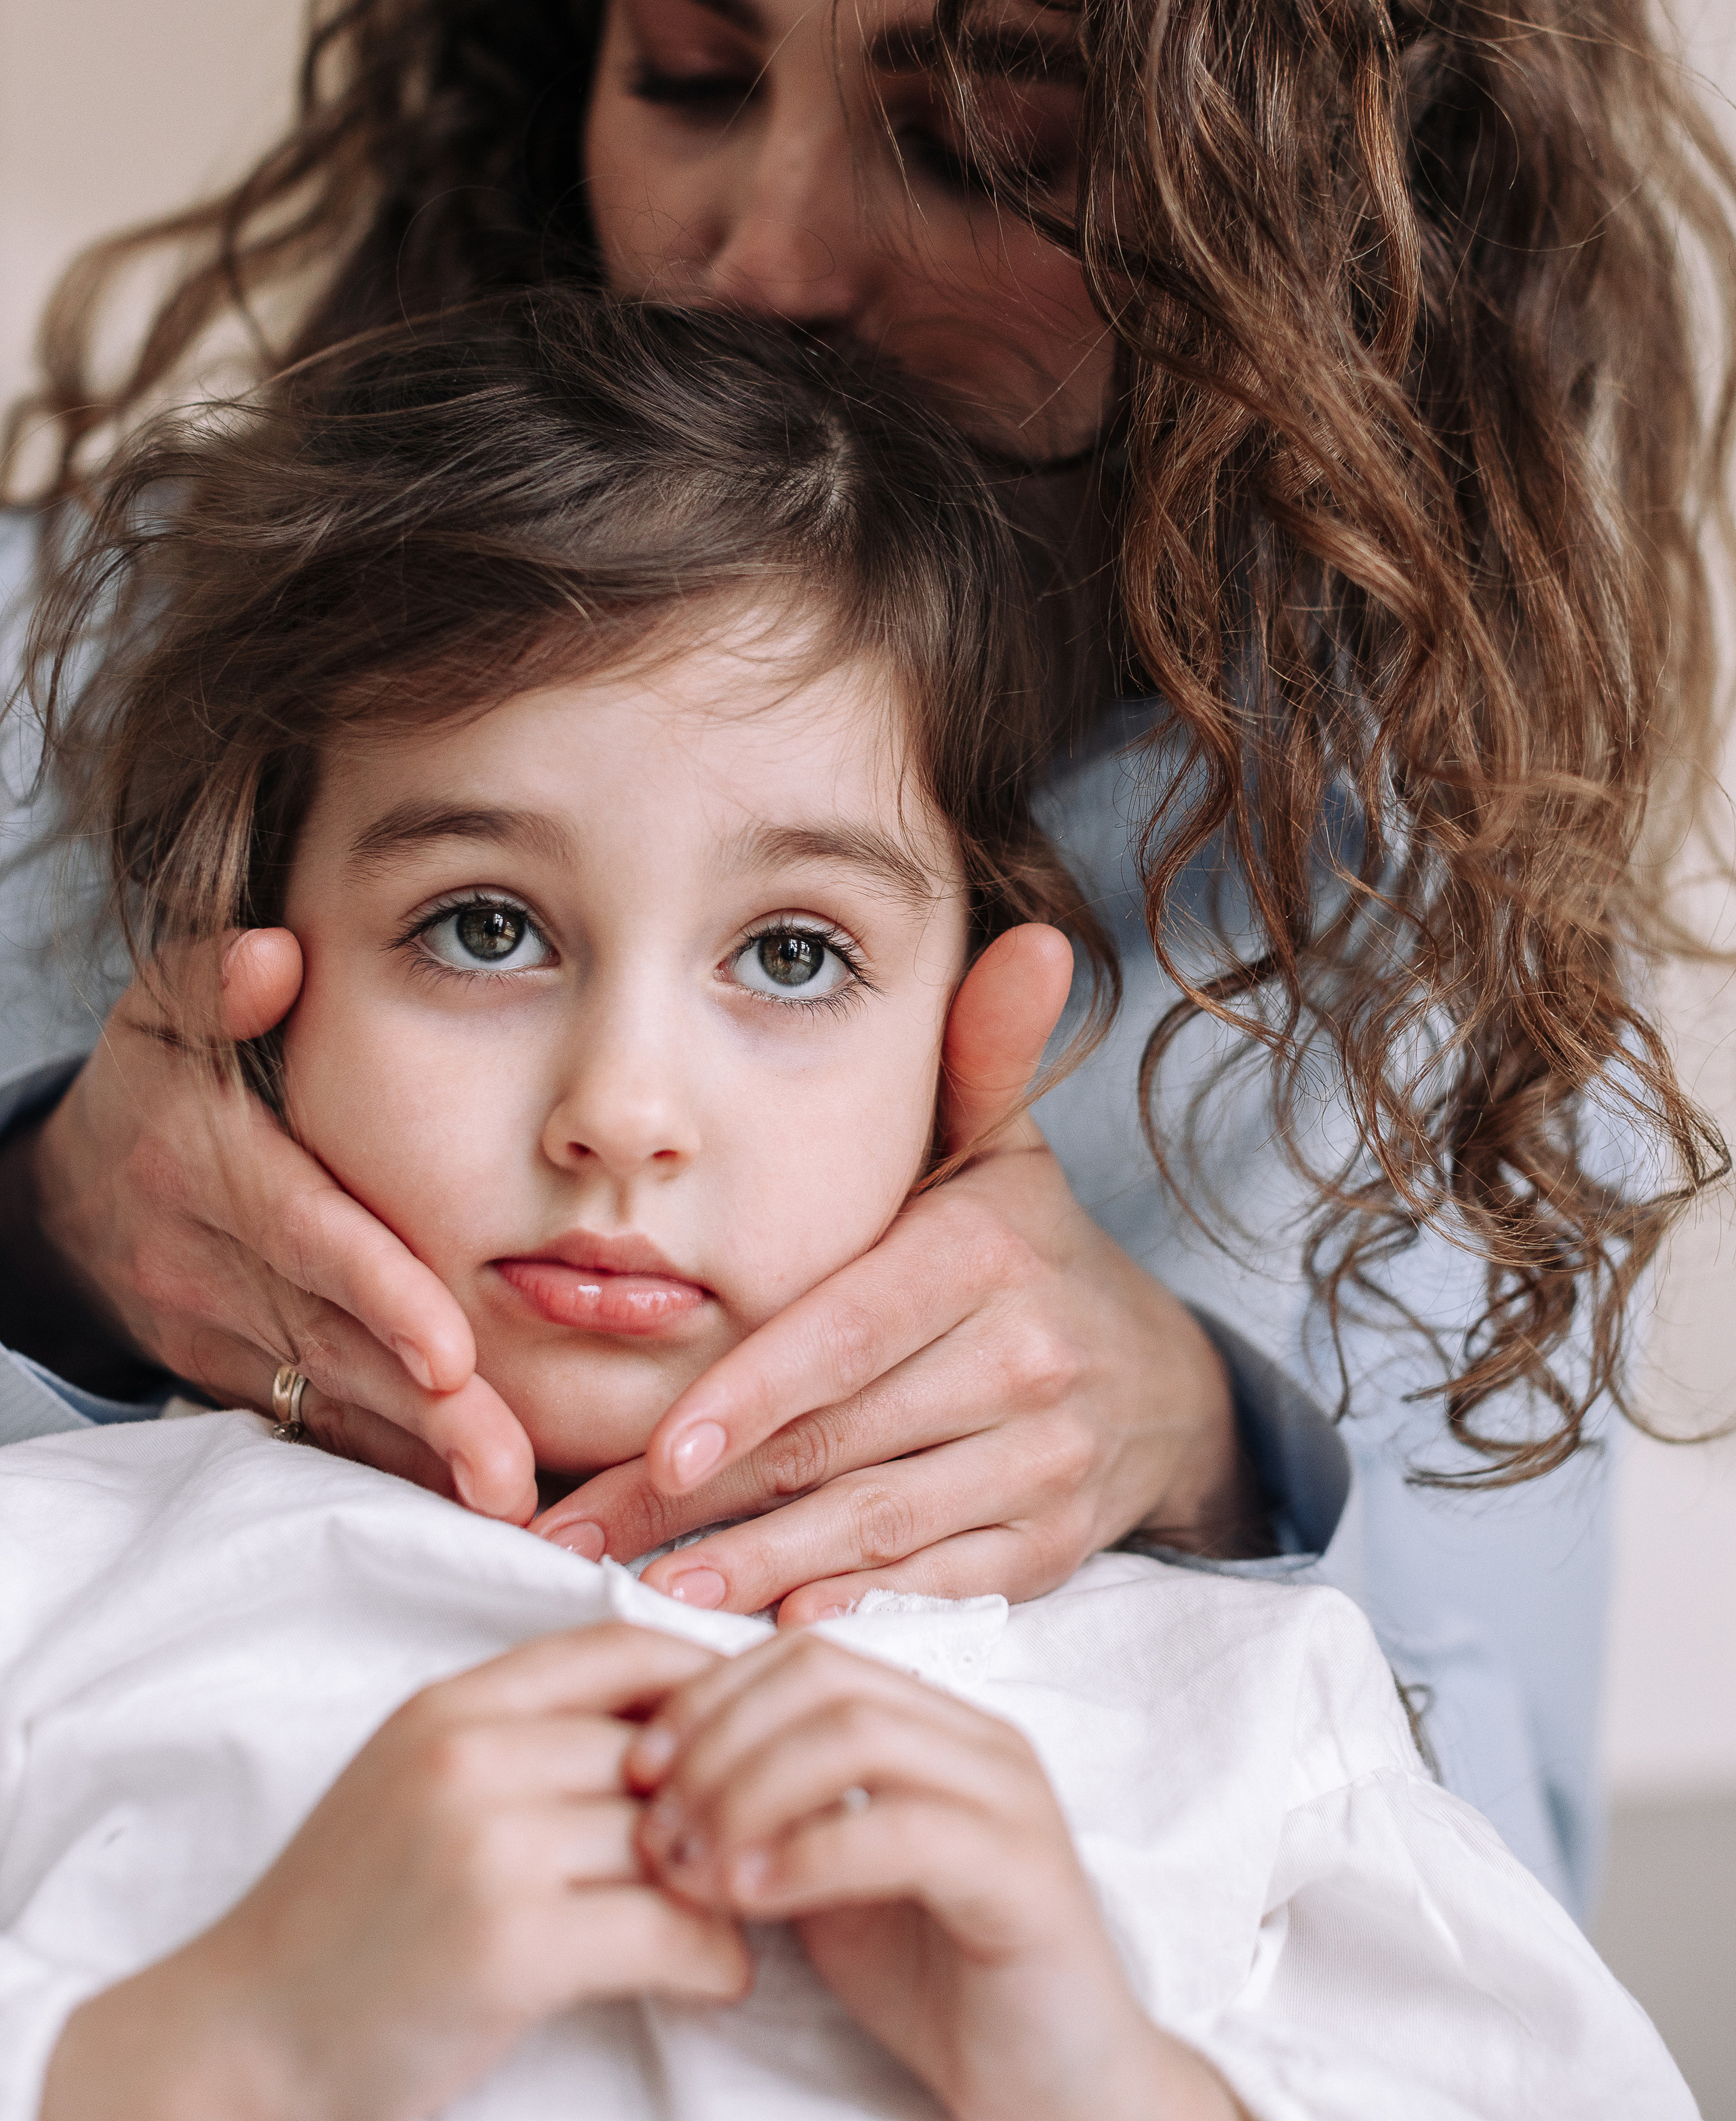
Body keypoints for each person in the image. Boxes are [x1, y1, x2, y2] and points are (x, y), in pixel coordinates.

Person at [2, 0, 1732, 1915]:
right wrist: (34, 1225)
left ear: (1295, 200)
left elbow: (1494, 1940)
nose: (769, 261)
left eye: (980, 133)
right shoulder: (122, 649)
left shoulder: (1377, 899)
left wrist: (1198, 1459)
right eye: (687, 72)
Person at [3, 297, 1689, 2121]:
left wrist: (1104, 2081)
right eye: (483, 927)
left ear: (971, 1044)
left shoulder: (1244, 1711)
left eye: (794, 956)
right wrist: (213, 2057)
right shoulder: (44, 1592)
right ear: (249, 966)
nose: (623, 1116)